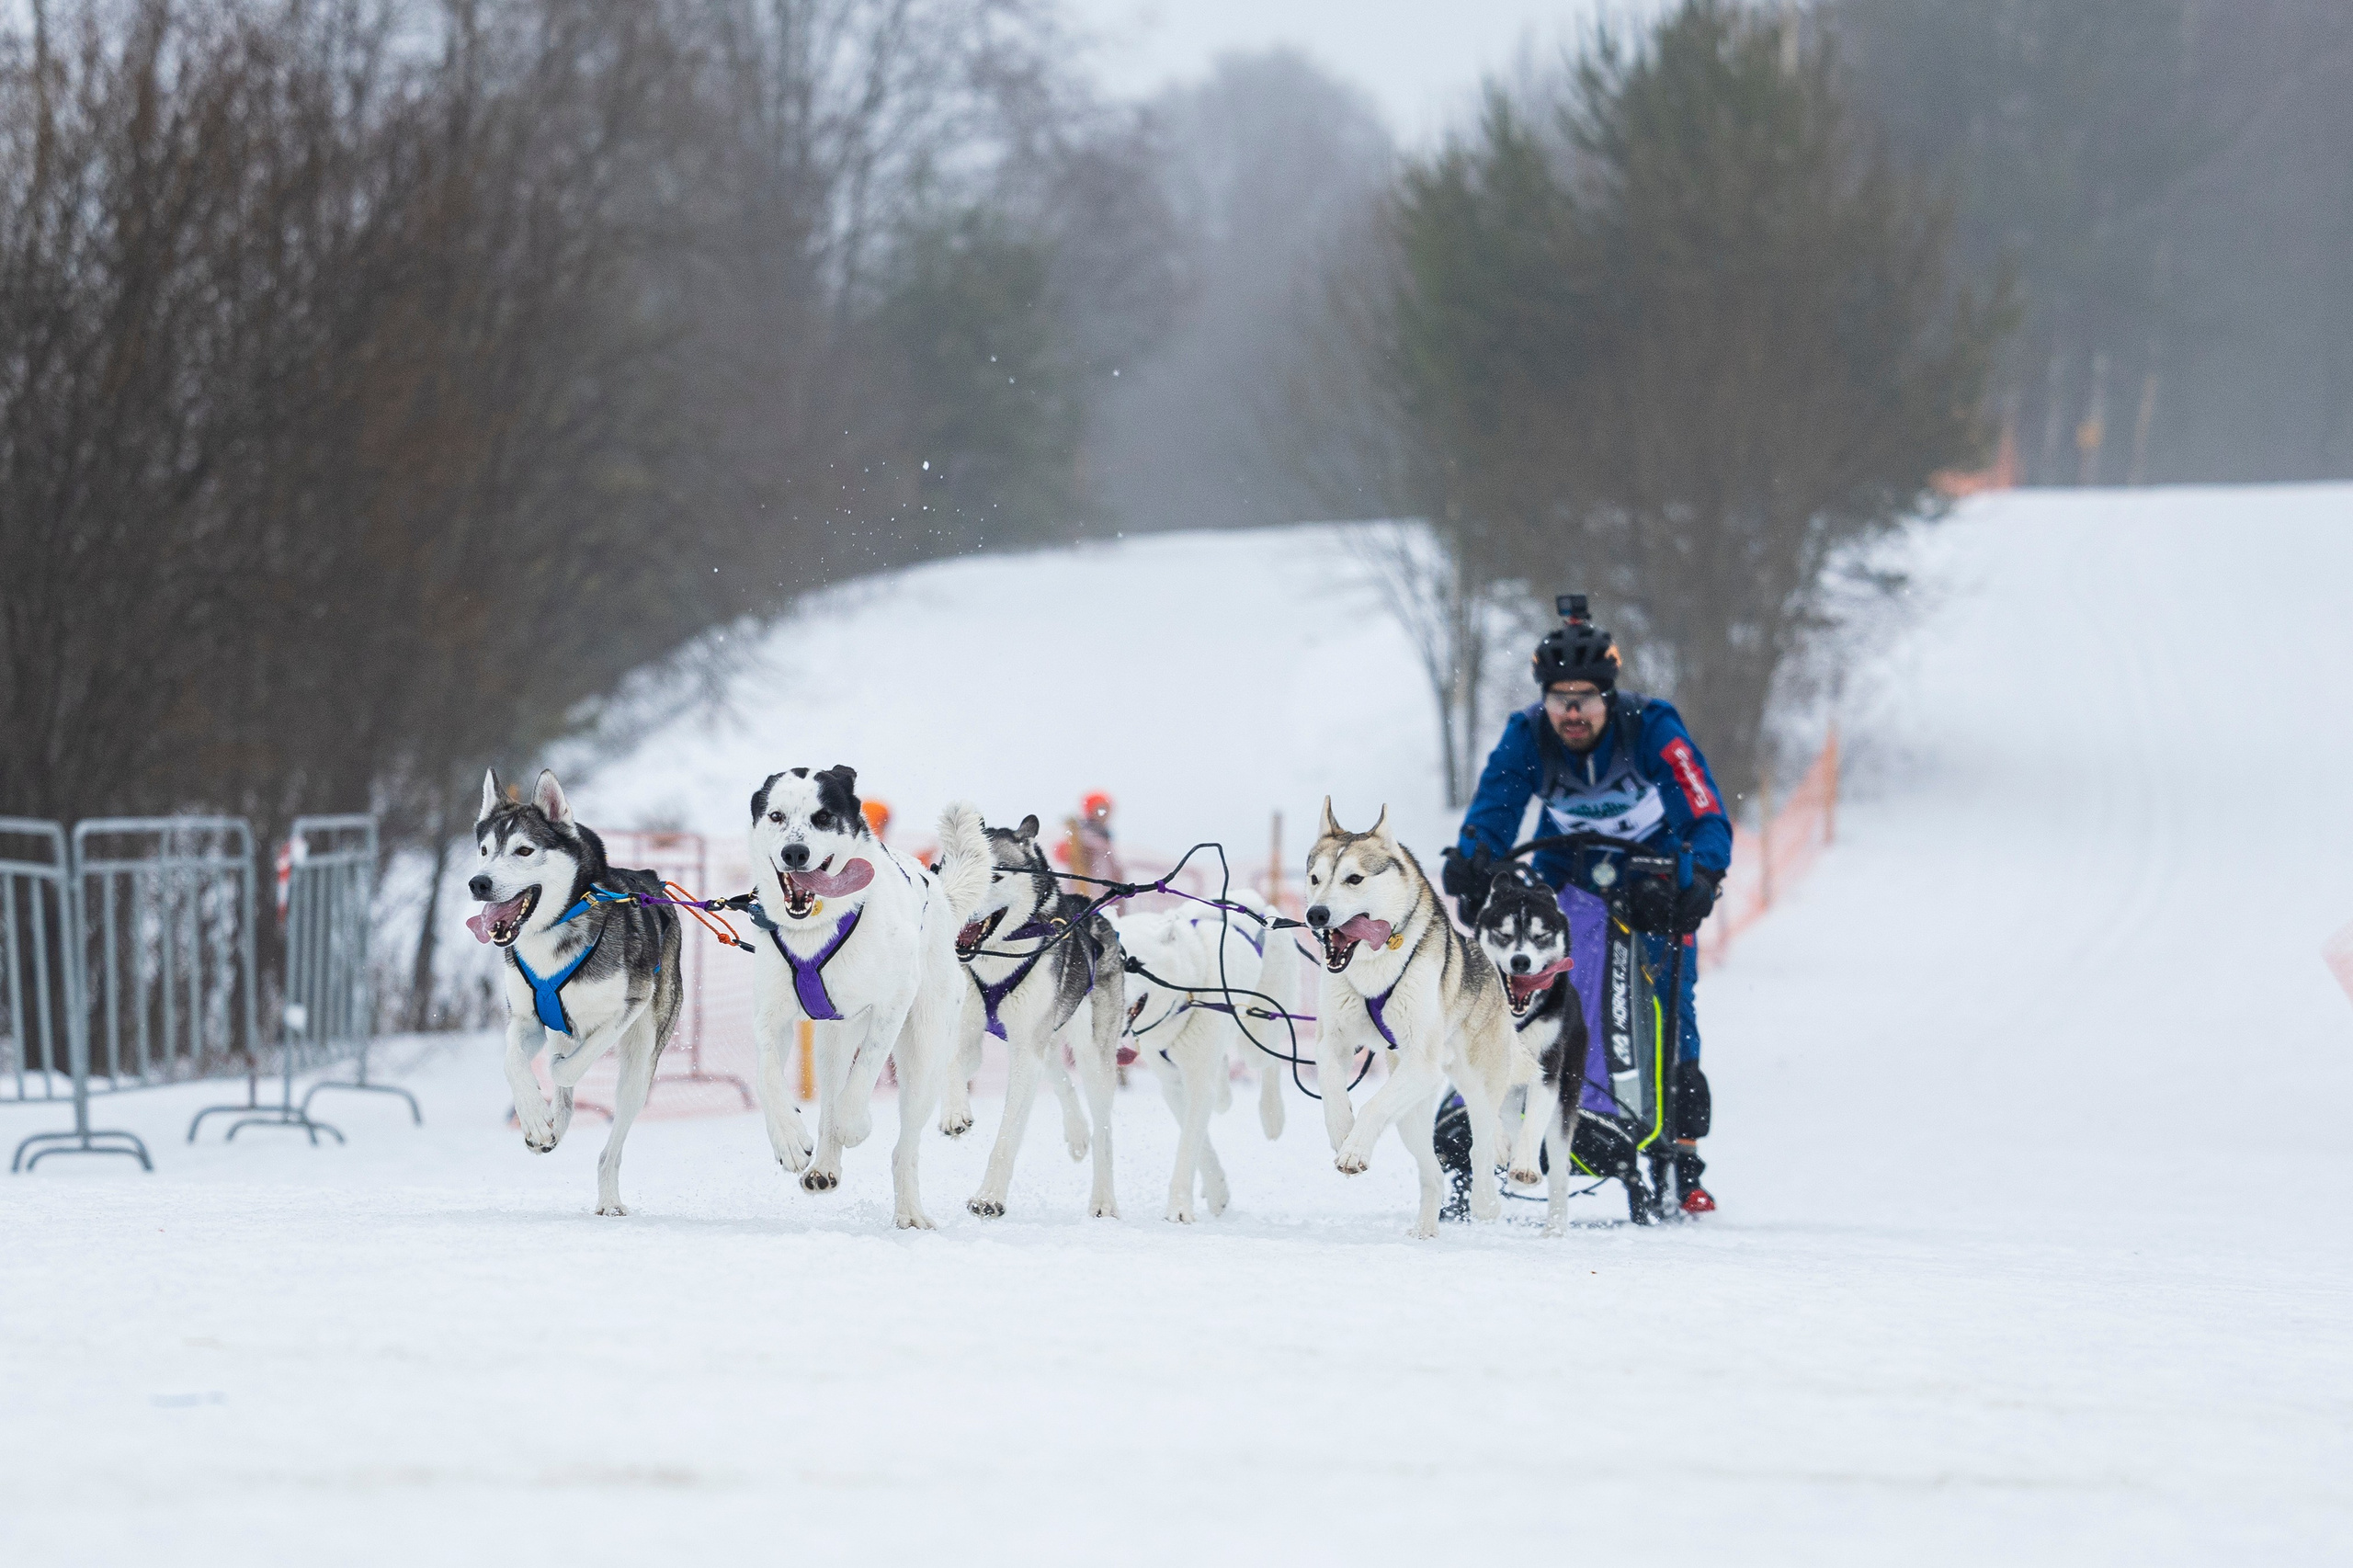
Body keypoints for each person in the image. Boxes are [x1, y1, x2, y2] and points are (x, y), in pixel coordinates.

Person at [1440, 596, 1733, 1215]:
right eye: (1559, 699)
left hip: (1651, 868)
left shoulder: (1651, 726)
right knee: (1526, 976)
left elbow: (1703, 809)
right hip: (1565, 863)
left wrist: (1704, 873)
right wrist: (1472, 860)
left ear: (1609, 696)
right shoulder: (1527, 734)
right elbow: (1494, 808)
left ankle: (1682, 1155)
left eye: (1587, 699)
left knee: (1672, 999)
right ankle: (1504, 1100)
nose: (1572, 713)